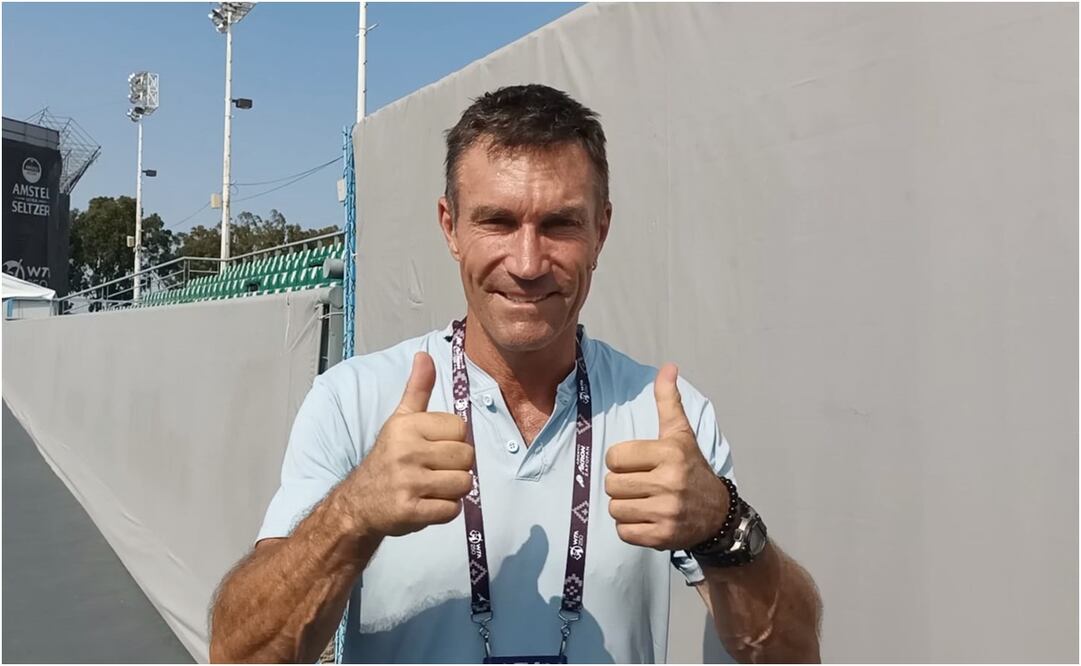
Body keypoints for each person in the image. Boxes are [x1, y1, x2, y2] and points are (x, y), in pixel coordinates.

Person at [209, 84, 822, 664]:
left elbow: (792, 654)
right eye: (497, 222)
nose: (527, 263)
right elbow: (237, 654)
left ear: (600, 231)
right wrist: (352, 514)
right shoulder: (353, 401)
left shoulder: (668, 418)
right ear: (450, 226)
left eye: (559, 224)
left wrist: (724, 526)